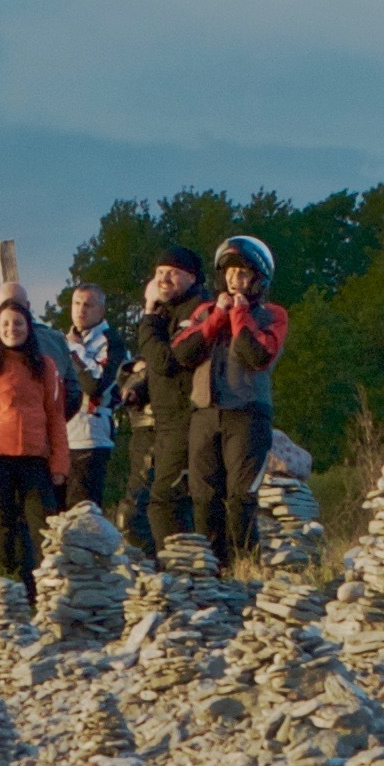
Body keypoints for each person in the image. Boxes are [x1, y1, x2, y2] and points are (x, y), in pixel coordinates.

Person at [175, 233, 288, 563]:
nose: (234, 279)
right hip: (205, 413)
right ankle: (211, 568)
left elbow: (257, 355)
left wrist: (239, 314)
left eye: (242, 273)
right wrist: (217, 318)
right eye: (230, 272)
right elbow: (183, 352)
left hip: (247, 413)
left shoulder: (272, 315)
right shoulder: (204, 312)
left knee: (241, 495)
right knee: (203, 496)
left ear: (257, 278)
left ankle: (246, 567)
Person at [0, 300, 71, 609]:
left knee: (42, 526)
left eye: (18, 323)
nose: (12, 329)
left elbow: (56, 418)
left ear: (28, 327)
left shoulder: (45, 366)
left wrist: (60, 463)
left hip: (36, 460)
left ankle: (43, 597)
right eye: (5, 324)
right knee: (1, 527)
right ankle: (0, 597)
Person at [121, 241, 205, 558]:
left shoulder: (199, 310)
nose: (163, 279)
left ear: (192, 277)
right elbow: (157, 365)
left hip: (186, 417)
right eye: (159, 272)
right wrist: (138, 387)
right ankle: (171, 569)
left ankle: (181, 568)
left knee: (167, 501)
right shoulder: (167, 313)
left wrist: (147, 314)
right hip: (164, 419)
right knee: (157, 501)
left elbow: (167, 361)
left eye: (172, 272)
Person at [57, 284, 125, 515]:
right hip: (59, 436)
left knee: (83, 513)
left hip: (90, 437)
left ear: (101, 310)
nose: (81, 310)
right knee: (54, 514)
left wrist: (74, 350)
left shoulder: (111, 342)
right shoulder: (61, 339)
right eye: (76, 303)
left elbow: (94, 385)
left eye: (88, 305)